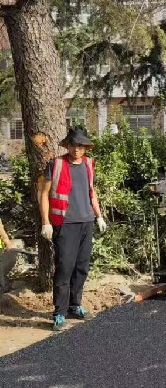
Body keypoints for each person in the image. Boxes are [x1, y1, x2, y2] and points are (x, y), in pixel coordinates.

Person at [38, 127, 107, 332]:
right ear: (67, 146)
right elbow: (44, 194)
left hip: (86, 222)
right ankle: (59, 312)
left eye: (80, 146)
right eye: (73, 145)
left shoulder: (88, 164)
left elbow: (91, 192)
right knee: (64, 268)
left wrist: (99, 216)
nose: (76, 149)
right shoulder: (56, 164)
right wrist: (46, 222)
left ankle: (75, 306)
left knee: (81, 267)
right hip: (65, 224)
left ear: (85, 147)